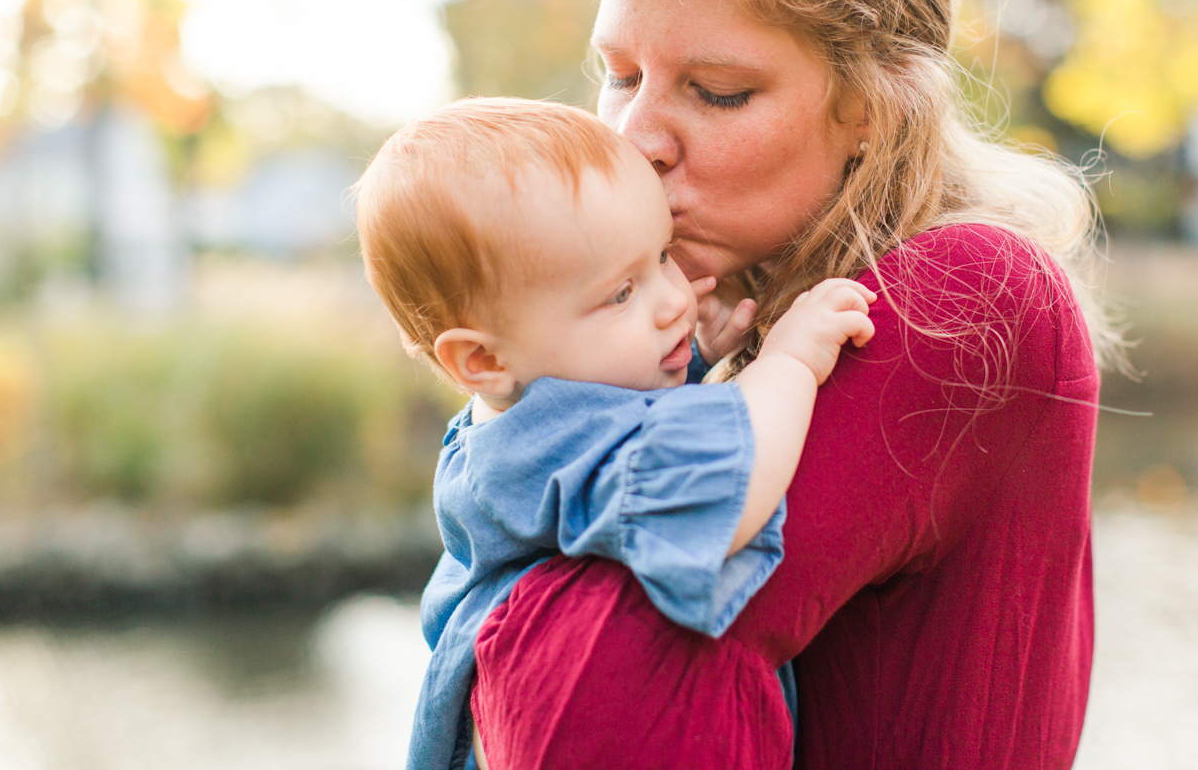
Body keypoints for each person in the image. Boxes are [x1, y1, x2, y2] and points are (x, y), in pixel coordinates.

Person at [462, 0, 1124, 770]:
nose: (635, 139)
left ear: (871, 105)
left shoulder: (968, 293)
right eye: (619, 76)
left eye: (717, 91)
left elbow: (590, 677)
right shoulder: (705, 313)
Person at [353, 98, 875, 770]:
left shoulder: (514, 407)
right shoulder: (569, 437)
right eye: (621, 294)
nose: (674, 299)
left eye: (661, 256)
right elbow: (732, 493)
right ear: (480, 360)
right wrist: (788, 363)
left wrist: (694, 364)